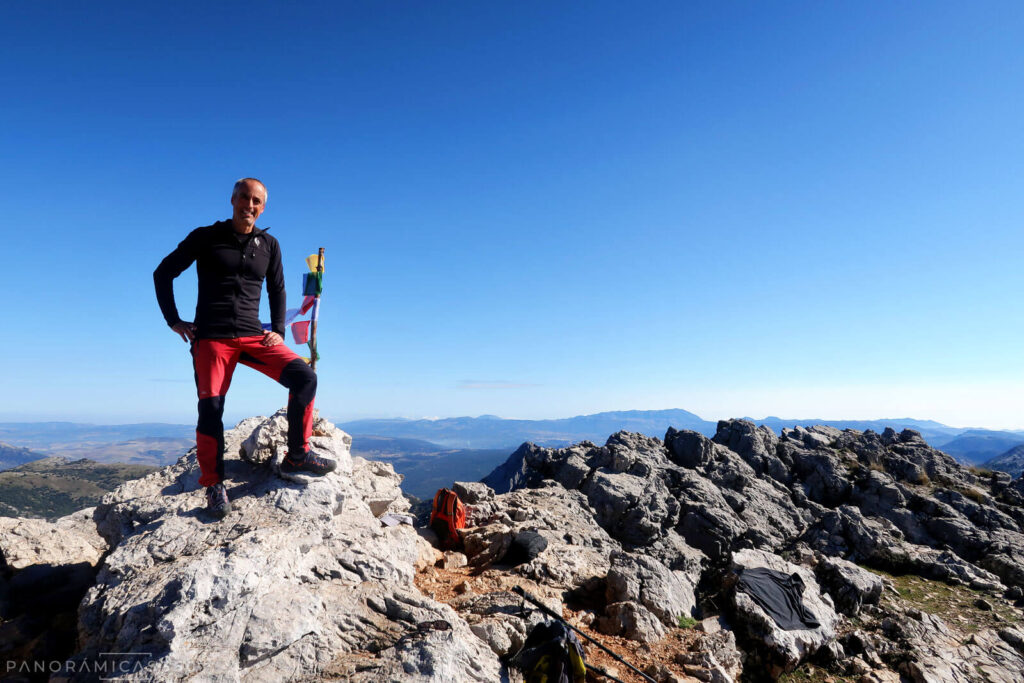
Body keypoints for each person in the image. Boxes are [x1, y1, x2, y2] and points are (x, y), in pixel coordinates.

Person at [154, 178, 336, 519]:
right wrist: (174, 321)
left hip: (254, 337)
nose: (249, 205)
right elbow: (163, 273)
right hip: (212, 338)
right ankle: (213, 485)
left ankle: (298, 454)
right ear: (232, 199)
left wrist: (279, 331)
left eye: (256, 201)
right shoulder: (205, 237)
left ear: (262, 206)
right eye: (244, 198)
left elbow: (277, 290)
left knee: (304, 378)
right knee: (211, 408)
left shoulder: (268, 244)